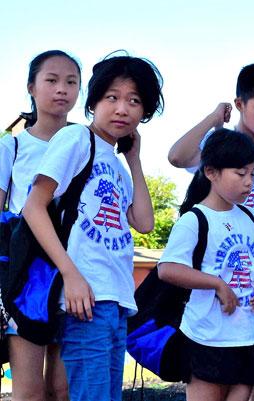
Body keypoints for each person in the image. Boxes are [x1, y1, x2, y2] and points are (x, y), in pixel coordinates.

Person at [21, 54, 163, 401]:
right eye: (112, 97)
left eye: (134, 101)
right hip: (86, 296)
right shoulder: (76, 139)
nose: (122, 109)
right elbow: (33, 207)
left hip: (116, 298)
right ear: (94, 101)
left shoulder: (116, 163)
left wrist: (134, 159)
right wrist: (70, 274)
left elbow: (144, 222)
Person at [168, 63, 254, 401]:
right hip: (215, 302)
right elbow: (177, 156)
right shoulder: (219, 147)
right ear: (239, 104)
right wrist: (212, 118)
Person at [158, 129, 254, 401]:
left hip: (247, 337)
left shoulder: (250, 218)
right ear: (211, 172)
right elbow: (168, 269)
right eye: (240, 173)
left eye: (252, 174)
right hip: (207, 337)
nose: (249, 182)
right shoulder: (195, 219)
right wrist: (217, 284)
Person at [0, 50, 80, 401]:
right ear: (31, 87)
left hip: (75, 272)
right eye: (52, 80)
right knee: (29, 393)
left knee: (63, 390)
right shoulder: (12, 146)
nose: (62, 89)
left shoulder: (85, 144)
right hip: (26, 277)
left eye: (71, 82)